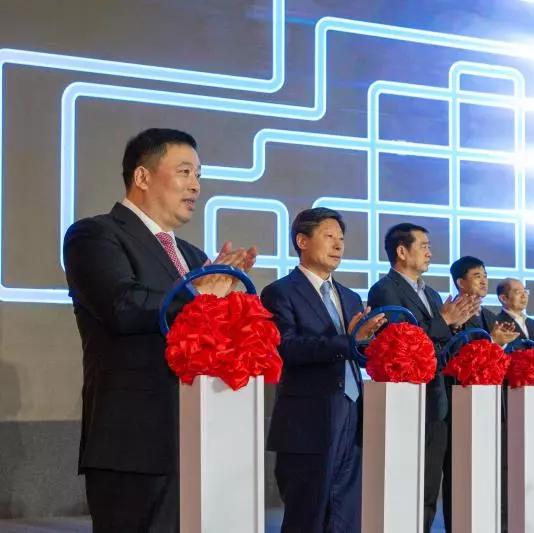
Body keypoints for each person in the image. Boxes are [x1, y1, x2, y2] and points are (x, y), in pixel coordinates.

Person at [63, 128, 257, 532]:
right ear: (142, 176)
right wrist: (199, 294)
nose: (196, 185)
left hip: (201, 440)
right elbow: (122, 306)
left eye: (198, 175)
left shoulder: (193, 256)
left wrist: (232, 307)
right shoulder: (95, 234)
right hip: (135, 445)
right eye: (184, 172)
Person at [261, 207, 385, 533]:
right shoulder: (280, 292)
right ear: (302, 241)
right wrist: (348, 341)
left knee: (347, 515)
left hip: (352, 414)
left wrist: (371, 344)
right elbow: (287, 347)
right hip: (308, 420)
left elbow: (355, 353)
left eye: (341, 238)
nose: (338, 245)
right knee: (308, 516)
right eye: (329, 236)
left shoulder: (351, 297)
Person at [367, 223, 479, 533]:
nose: (430, 252)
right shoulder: (385, 289)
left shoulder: (431, 293)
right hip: (406, 402)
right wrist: (444, 320)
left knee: (429, 488)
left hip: (436, 399)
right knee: (406, 488)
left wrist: (455, 327)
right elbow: (401, 343)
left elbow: (438, 344)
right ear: (402, 252)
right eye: (424, 246)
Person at [444, 256, 519, 533]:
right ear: (461, 282)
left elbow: (494, 358)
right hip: (462, 404)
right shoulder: (452, 313)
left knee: (489, 475)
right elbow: (456, 358)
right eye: (477, 276)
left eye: (485, 275)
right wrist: (492, 343)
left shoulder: (489, 316)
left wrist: (500, 346)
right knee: (462, 476)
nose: (484, 280)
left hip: (489, 404)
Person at [495, 278, 534, 350]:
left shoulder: (533, 324)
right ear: (504, 298)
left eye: (525, 291)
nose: (524, 296)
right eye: (518, 292)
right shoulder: (496, 323)